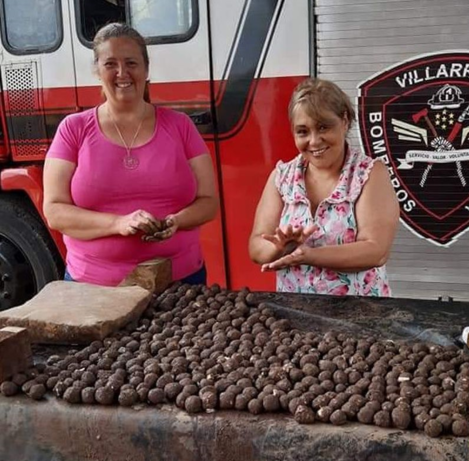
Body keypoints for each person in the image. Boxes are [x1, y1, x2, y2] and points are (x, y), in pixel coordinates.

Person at [43, 23, 218, 286]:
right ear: (97, 71)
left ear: (146, 70)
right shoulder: (73, 129)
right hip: (93, 287)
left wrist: (175, 222)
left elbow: (209, 202)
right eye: (110, 64)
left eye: (131, 63)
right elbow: (55, 211)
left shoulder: (181, 126)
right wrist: (119, 223)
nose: (122, 72)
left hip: (181, 283)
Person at [249, 78, 399, 296]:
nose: (314, 141)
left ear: (345, 121)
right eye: (302, 131)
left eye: (323, 127)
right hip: (295, 312)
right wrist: (279, 248)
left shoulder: (369, 174)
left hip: (362, 313)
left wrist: (308, 255)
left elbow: (376, 251)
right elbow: (256, 247)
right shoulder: (281, 178)